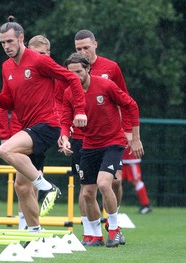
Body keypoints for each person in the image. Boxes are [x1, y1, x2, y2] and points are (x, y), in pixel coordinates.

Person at [0, 16, 87, 234]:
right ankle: (35, 235)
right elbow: (11, 103)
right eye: (2, 43)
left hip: (47, 125)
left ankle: (47, 187)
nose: (6, 46)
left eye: (10, 41)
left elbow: (72, 79)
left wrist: (79, 110)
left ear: (21, 38)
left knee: (5, 149)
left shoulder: (39, 60)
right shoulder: (6, 67)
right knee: (21, 186)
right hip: (29, 128)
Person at [60, 52, 144, 247]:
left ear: (88, 69)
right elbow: (65, 120)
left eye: (79, 72)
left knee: (105, 184)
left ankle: (114, 229)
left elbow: (131, 105)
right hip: (88, 145)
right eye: (70, 74)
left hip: (113, 143)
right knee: (88, 193)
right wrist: (64, 138)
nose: (75, 77)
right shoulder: (68, 93)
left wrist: (135, 137)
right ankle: (96, 235)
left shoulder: (106, 86)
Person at [0, 34, 52, 230]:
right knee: (22, 185)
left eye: (43, 54)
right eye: (36, 53)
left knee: (30, 183)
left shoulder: (47, 71)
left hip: (40, 130)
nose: (40, 57)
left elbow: (63, 102)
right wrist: (4, 134)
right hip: (19, 132)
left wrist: (64, 132)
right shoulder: (13, 67)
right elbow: (5, 103)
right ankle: (31, 229)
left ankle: (32, 225)